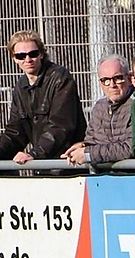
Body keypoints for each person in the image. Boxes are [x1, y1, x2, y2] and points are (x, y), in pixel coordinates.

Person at [0, 30, 85, 163]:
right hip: (42, 162)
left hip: (66, 163)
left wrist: (34, 154)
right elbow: (15, 131)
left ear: (41, 54)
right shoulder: (20, 86)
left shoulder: (60, 78)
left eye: (33, 54)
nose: (28, 59)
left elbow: (61, 126)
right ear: (14, 59)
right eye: (21, 56)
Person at [61, 54, 134, 166]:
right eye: (105, 80)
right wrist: (83, 146)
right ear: (100, 83)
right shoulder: (99, 107)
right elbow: (93, 141)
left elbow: (130, 148)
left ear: (129, 79)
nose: (112, 85)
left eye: (117, 78)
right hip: (102, 176)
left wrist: (88, 153)